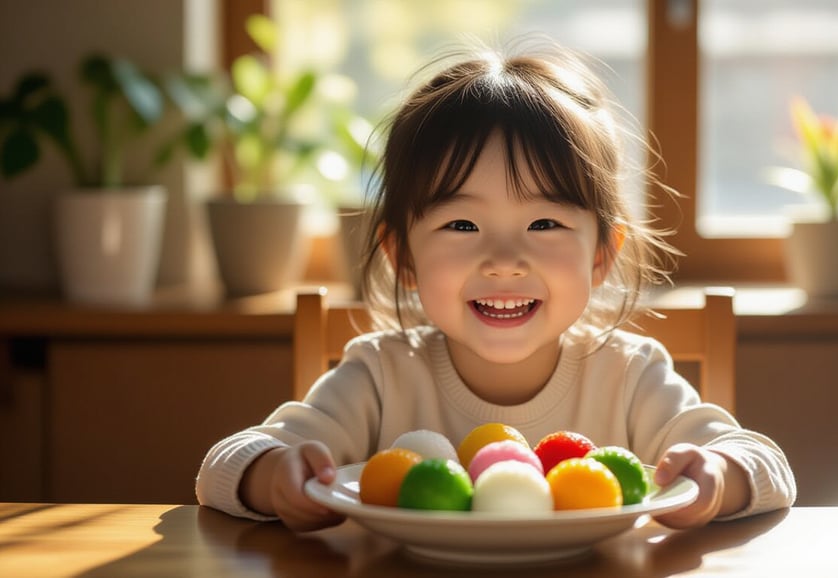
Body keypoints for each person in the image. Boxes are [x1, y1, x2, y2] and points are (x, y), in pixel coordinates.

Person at [196, 39, 796, 532]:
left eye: (544, 223)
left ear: (600, 257)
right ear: (400, 254)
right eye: (462, 224)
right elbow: (222, 467)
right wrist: (276, 475)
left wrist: (717, 475)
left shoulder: (630, 375)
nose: (504, 261)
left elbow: (767, 465)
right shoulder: (379, 376)